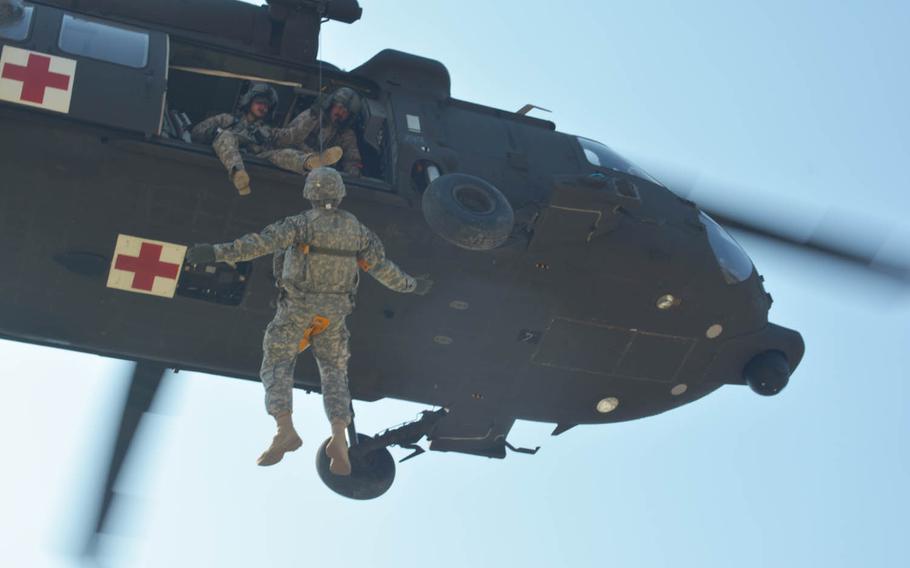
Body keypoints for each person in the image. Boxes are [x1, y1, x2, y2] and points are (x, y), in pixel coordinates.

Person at [185, 168, 433, 475]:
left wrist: (213, 252)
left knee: (277, 361)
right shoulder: (359, 231)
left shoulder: (299, 224)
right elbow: (385, 271)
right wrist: (414, 285)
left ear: (310, 195)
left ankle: (284, 429)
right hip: (334, 314)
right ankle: (339, 437)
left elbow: (258, 244)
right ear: (341, 194)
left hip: (298, 309)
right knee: (334, 372)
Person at [190, 82, 343, 195]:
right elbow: (196, 132)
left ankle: (311, 162)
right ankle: (238, 174)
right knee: (226, 136)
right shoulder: (226, 120)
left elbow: (292, 137)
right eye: (260, 103)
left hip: (255, 160)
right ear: (249, 102)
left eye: (267, 106)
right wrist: (214, 133)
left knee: (280, 153)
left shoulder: (267, 132)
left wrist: (313, 115)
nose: (263, 108)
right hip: (226, 161)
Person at [287, 87, 364, 178]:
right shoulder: (312, 117)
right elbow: (290, 138)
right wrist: (314, 156)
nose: (340, 113)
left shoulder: (347, 135)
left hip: (324, 179)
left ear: (349, 117)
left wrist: (353, 171)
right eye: (339, 107)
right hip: (294, 171)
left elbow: (351, 159)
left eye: (345, 112)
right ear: (331, 105)